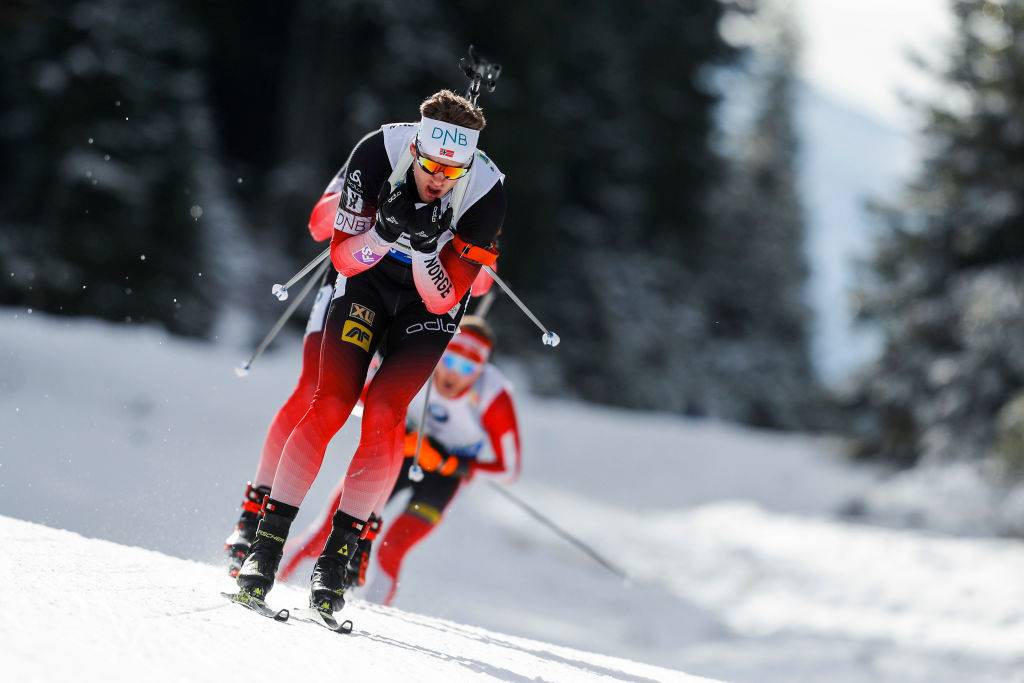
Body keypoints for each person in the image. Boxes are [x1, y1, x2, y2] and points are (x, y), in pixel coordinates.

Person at [235, 90, 505, 617]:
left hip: (426, 303)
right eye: (429, 166)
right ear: (416, 148)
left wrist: (428, 249)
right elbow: (341, 255)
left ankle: (335, 565)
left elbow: (448, 297)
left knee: (384, 416)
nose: (439, 180)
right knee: (329, 402)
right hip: (365, 282)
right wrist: (384, 232)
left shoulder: (487, 189)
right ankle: (263, 551)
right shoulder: (378, 151)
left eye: (453, 171)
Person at [277, 315, 521, 607]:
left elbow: (509, 469)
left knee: (391, 550)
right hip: (396, 454)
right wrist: (398, 425)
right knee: (328, 530)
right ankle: (275, 579)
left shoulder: (493, 396)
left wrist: (451, 465)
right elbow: (357, 397)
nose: (454, 375)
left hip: (442, 478)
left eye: (468, 368)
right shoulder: (420, 362)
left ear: (481, 370)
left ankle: (373, 617)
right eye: (451, 360)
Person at [223, 179, 345, 577]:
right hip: (348, 288)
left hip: (413, 310)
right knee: (313, 390)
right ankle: (253, 513)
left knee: (387, 416)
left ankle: (352, 544)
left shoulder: (471, 176)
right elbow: (319, 224)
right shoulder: (381, 151)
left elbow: (482, 270)